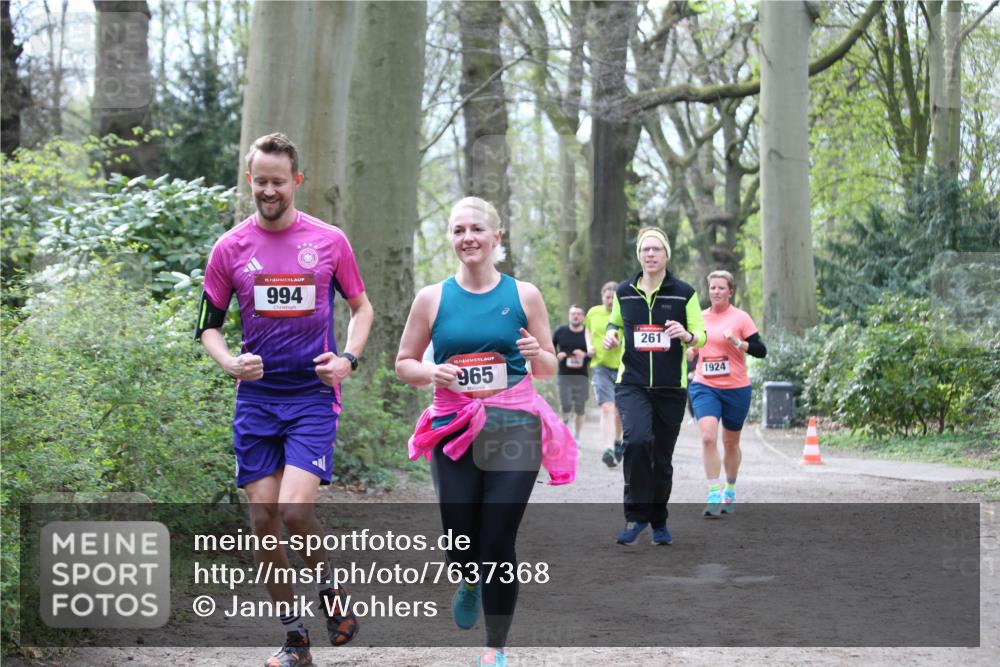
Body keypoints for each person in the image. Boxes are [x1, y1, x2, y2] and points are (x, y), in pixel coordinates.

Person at [196, 133, 373, 667]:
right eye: (261, 181)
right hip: (256, 400)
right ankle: (296, 639)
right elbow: (208, 325)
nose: (269, 190)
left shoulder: (329, 241)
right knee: (264, 521)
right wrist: (229, 362)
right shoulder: (229, 248)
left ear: (296, 181)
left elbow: (362, 309)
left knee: (295, 511)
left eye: (279, 181)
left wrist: (348, 359)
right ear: (249, 180)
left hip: (312, 396)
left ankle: (331, 592)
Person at [396, 197, 576, 667]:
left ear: (497, 237)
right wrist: (430, 371)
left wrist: (537, 353)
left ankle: (495, 647)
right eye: (458, 230)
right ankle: (468, 577)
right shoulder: (432, 298)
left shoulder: (524, 295)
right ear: (451, 238)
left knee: (497, 540)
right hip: (453, 425)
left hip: (513, 425)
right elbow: (404, 364)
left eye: (476, 229)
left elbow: (547, 368)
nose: (468, 238)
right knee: (460, 540)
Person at [604, 227, 705, 546]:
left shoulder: (684, 292)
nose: (650, 254)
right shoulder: (624, 291)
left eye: (656, 249)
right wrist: (611, 334)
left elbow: (701, 334)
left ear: (666, 255)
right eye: (644, 250)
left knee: (661, 459)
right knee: (636, 441)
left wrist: (687, 335)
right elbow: (615, 321)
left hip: (670, 387)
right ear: (639, 255)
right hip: (632, 384)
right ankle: (635, 517)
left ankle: (659, 520)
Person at [688, 270, 767, 518]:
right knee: (707, 437)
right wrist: (689, 352)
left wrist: (738, 342)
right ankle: (714, 493)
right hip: (705, 386)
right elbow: (693, 348)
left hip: (736, 388)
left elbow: (761, 350)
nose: (716, 291)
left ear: (730, 291)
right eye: (712, 287)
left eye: (721, 288)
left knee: (730, 443)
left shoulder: (741, 318)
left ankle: (729, 490)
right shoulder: (699, 318)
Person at [584, 282, 624, 467]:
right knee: (607, 407)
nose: (610, 301)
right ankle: (607, 448)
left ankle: (618, 441)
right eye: (607, 298)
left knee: (619, 410)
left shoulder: (623, 314)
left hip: (622, 367)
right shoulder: (593, 312)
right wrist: (589, 346)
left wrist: (619, 343)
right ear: (602, 297)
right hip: (600, 366)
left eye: (613, 298)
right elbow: (587, 329)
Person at [552, 304, 591, 440]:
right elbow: (551, 347)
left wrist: (584, 355)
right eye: (573, 313)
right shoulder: (560, 331)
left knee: (580, 407)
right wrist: (558, 354)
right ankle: (564, 427)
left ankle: (577, 437)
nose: (575, 316)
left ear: (583, 317)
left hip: (582, 375)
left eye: (578, 314)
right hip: (564, 374)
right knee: (566, 405)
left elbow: (594, 353)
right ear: (569, 316)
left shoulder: (587, 333)